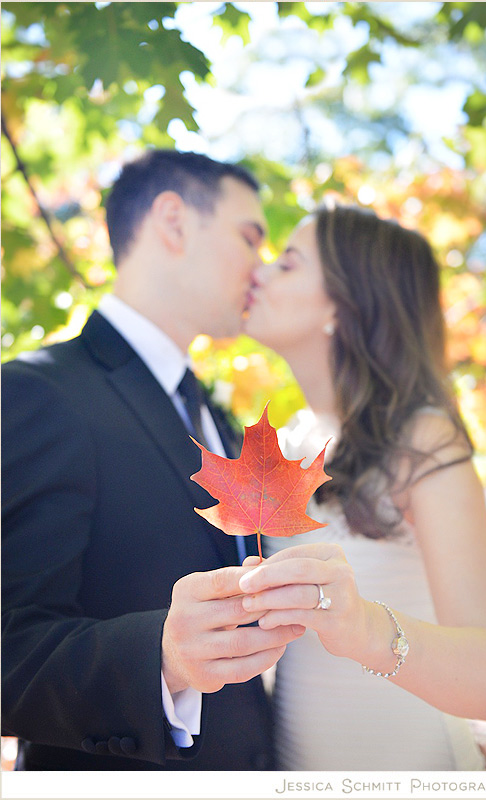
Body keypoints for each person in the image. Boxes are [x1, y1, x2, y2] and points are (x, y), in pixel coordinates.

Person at [1, 149, 305, 771]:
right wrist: (161, 657)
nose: (261, 268)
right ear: (173, 221)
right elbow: (10, 648)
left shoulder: (214, 418)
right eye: (250, 237)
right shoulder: (40, 391)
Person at [240, 204, 486, 770]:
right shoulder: (293, 440)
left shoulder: (424, 441)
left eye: (288, 265)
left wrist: (362, 625)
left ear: (342, 308)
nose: (259, 273)